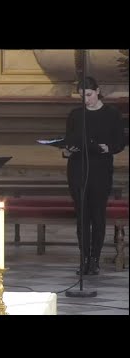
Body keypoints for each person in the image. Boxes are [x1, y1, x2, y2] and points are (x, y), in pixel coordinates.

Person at [65, 76, 125, 275]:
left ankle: (95, 260)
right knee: (82, 216)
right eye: (82, 96)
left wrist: (110, 148)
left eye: (89, 95)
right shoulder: (75, 115)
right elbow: (68, 140)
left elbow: (120, 141)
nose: (86, 100)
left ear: (98, 91)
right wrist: (66, 150)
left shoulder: (111, 114)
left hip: (100, 168)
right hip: (77, 168)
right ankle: (83, 260)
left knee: (97, 216)